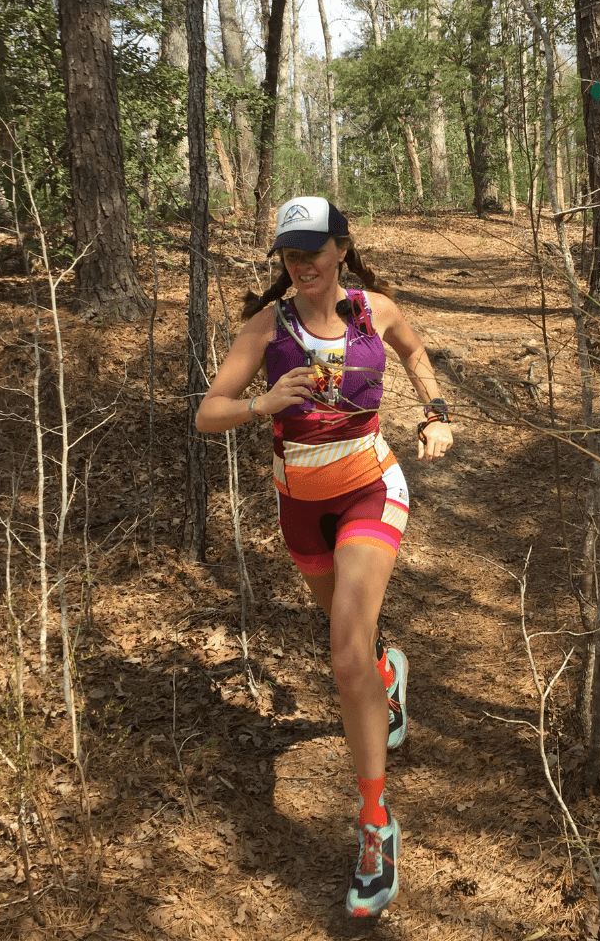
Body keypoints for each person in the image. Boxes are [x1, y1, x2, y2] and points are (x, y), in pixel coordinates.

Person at [196, 196, 453, 917]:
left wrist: (436, 410)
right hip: (300, 507)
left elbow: (414, 350)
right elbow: (207, 412)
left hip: (372, 487)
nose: (301, 264)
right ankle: (386, 681)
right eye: (289, 254)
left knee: (344, 653)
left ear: (341, 247)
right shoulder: (266, 328)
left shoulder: (375, 309)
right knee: (354, 650)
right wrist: (264, 403)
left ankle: (375, 825)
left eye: (313, 249)